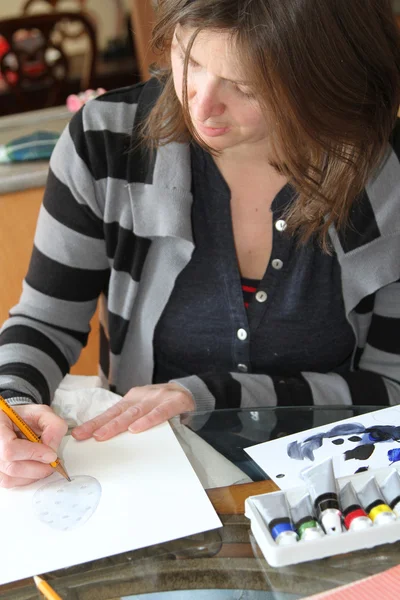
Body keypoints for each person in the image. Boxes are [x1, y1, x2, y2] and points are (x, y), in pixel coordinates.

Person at [0, 0, 400, 488]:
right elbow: (45, 320)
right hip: (148, 479)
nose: (201, 105)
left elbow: (390, 391)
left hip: (339, 488)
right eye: (190, 60)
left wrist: (213, 395)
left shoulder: (387, 175)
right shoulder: (105, 141)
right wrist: (12, 401)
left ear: (323, 80)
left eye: (245, 85)